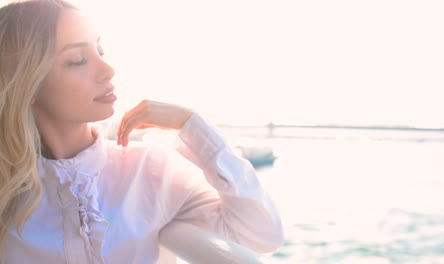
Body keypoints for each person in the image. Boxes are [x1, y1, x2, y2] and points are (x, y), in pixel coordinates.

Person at [0, 0, 284, 263]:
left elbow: (260, 236)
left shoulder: (150, 169)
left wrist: (191, 123)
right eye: (77, 59)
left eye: (99, 50)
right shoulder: (7, 192)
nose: (108, 69)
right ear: (28, 83)